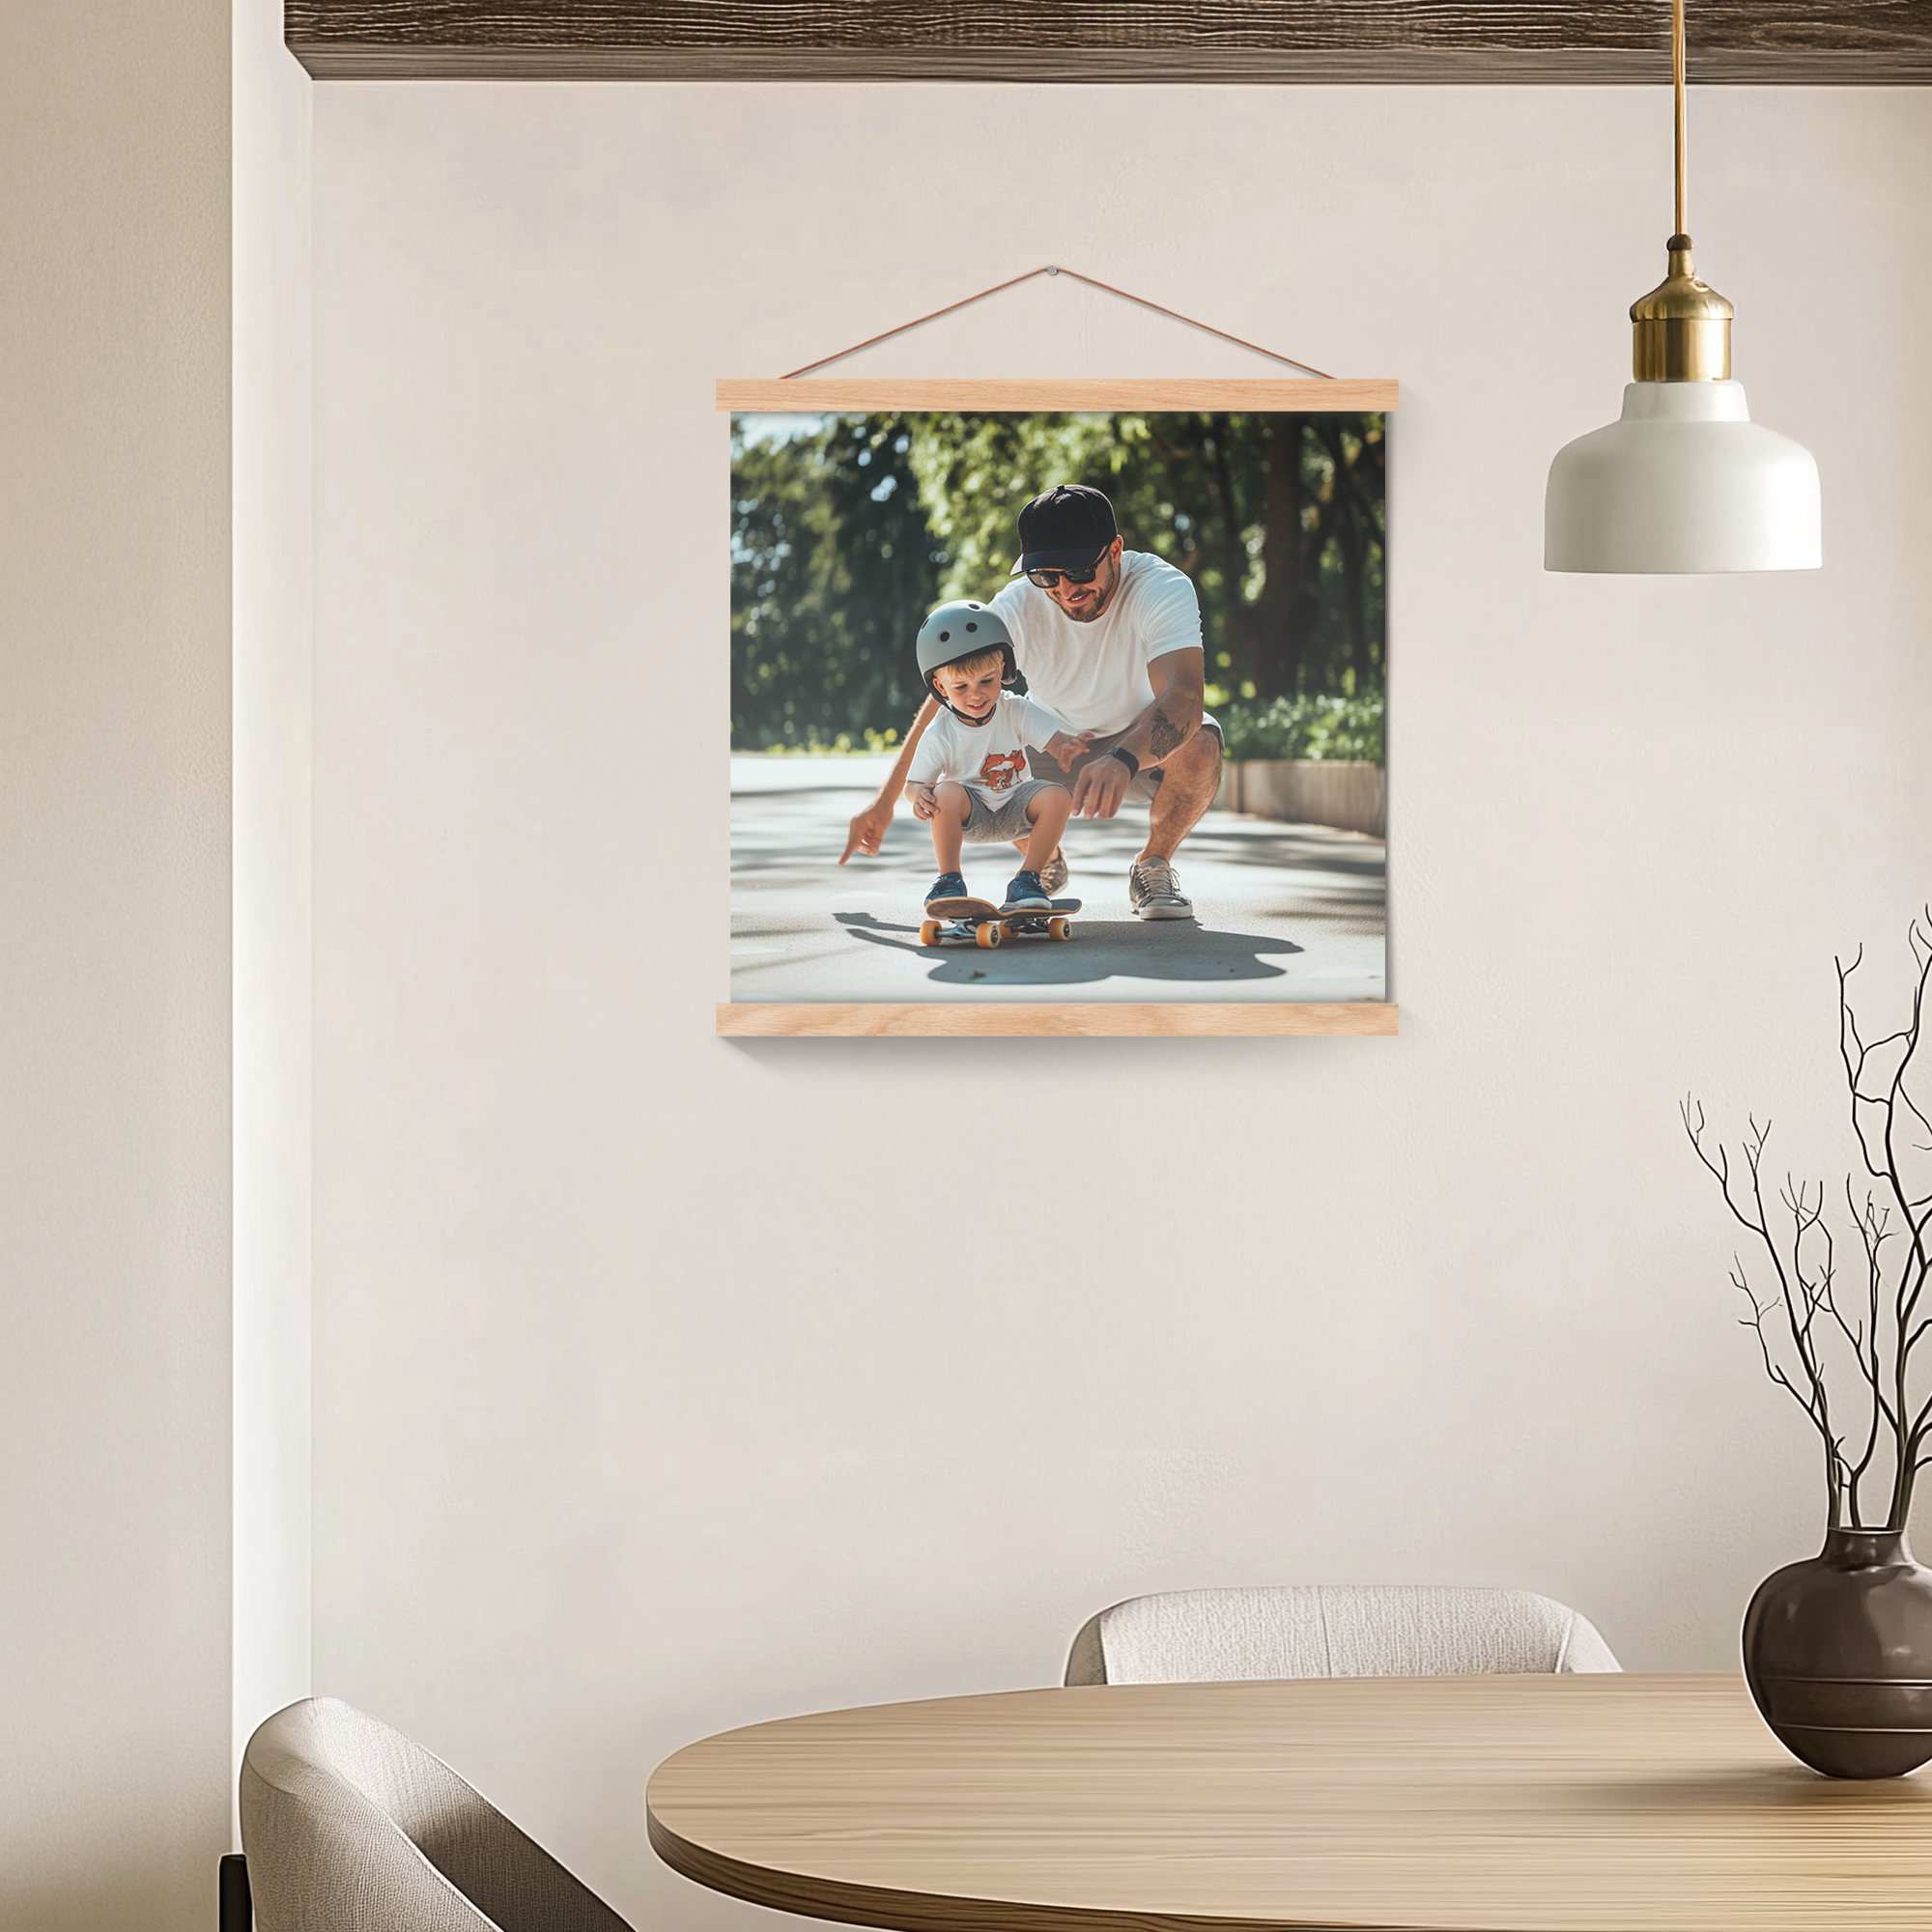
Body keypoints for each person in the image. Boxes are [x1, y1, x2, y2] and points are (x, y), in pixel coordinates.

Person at [839, 484, 1222, 920]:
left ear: (1115, 550)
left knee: (1201, 743)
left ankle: (1153, 864)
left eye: (1079, 571)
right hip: (1046, 743)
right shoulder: (1015, 608)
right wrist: (885, 802)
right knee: (972, 745)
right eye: (1045, 576)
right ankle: (1042, 865)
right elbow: (948, 702)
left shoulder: (1160, 587)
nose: (1064, 589)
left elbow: (1185, 695)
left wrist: (1122, 757)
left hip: (1139, 745)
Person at [902, 601, 1090, 912]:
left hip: (1017, 807)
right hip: (970, 814)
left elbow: (1052, 739)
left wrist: (1064, 747)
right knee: (945, 790)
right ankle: (949, 880)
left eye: (986, 681)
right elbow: (914, 784)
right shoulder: (940, 732)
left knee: (1058, 796)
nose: (976, 695)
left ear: (1001, 670)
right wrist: (919, 794)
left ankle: (1027, 880)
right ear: (940, 686)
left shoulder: (1013, 708)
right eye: (961, 686)